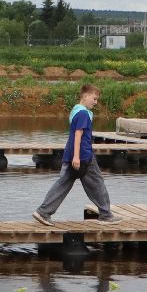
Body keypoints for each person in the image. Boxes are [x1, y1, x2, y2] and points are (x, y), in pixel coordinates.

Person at [32, 84, 115, 225]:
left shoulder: (77, 111)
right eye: (94, 99)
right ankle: (106, 215)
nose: (96, 102)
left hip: (74, 154)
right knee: (97, 183)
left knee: (63, 183)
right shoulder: (83, 113)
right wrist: (76, 156)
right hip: (83, 156)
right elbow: (78, 135)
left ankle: (43, 212)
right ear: (85, 96)